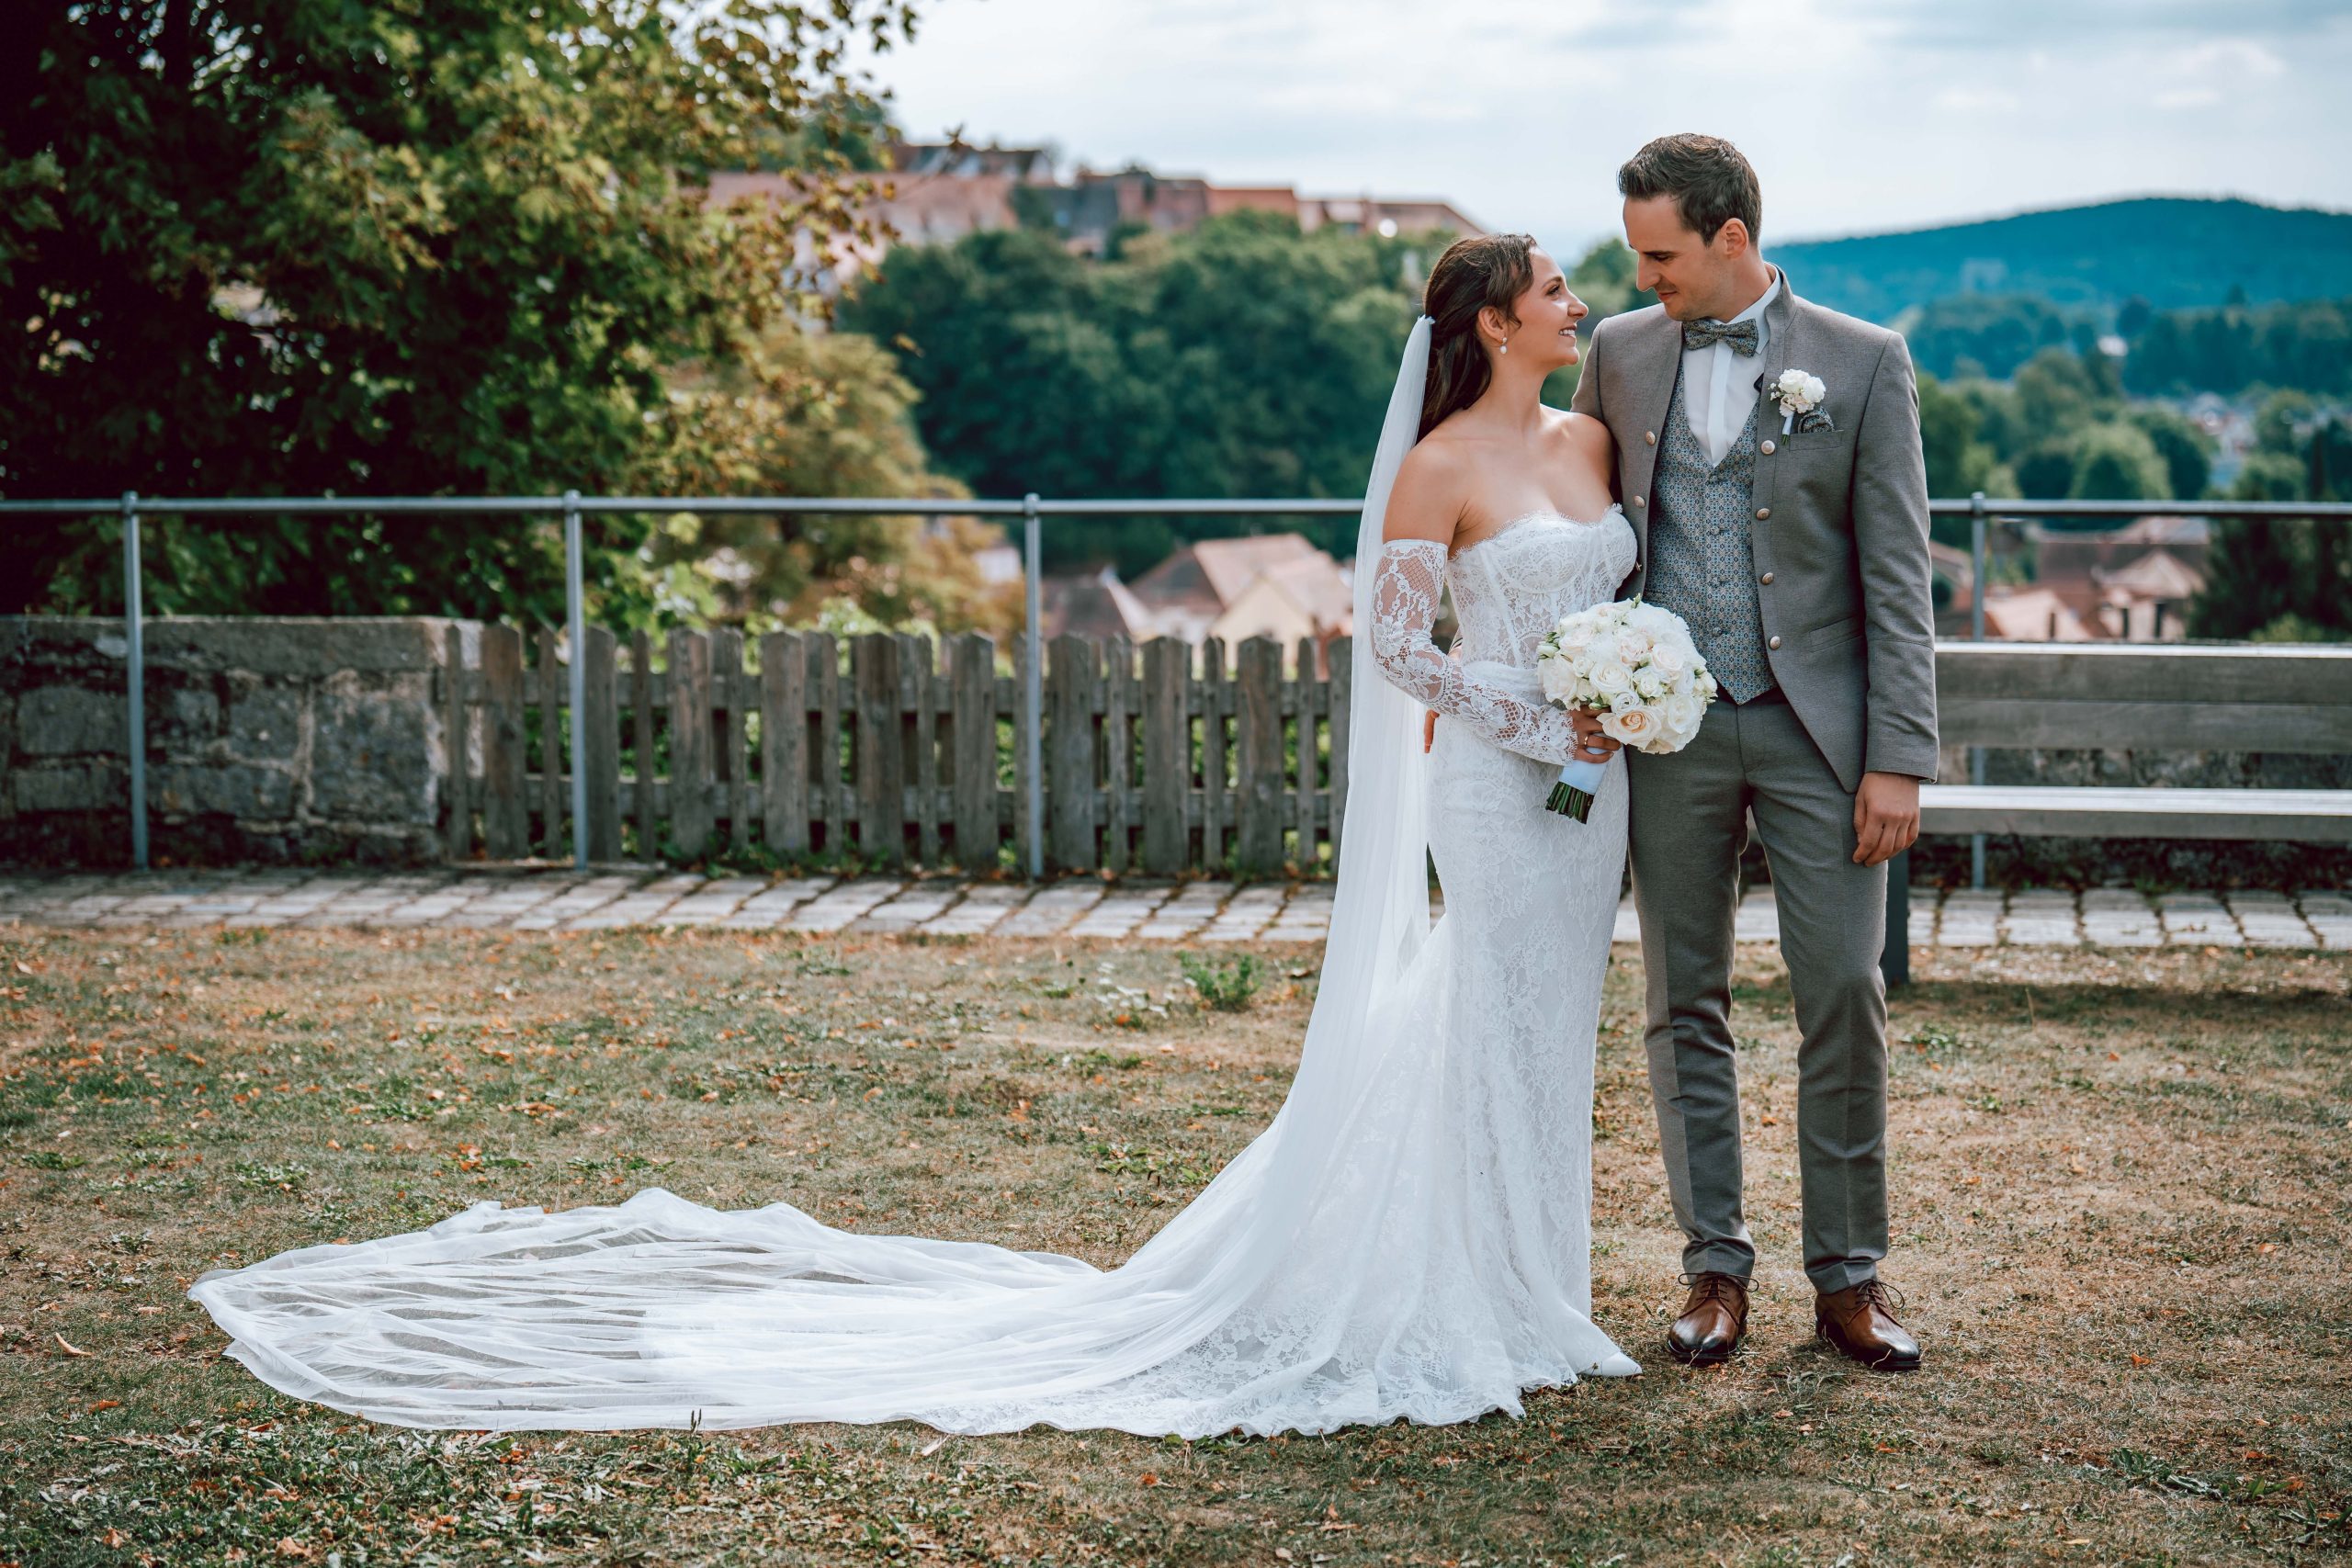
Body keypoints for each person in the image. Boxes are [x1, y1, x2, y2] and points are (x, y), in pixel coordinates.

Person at [186, 235, 1647, 1439]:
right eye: (1556, 289)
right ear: (1491, 318)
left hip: (1600, 792)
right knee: (1477, 1014)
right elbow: (1397, 650)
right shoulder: (1439, 465)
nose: (1578, 301)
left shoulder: (1587, 434)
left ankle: (1534, 1279)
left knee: (1543, 1023)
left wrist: (1622, 694)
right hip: (1507, 782)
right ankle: (1472, 1294)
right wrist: (1538, 720)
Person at [1570, 134, 1938, 1371]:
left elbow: (1897, 576)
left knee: (1842, 987)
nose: (1643, 277)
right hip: (1668, 729)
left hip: (1818, 729)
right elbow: (1581, 533)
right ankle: (1714, 1270)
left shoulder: (1864, 362)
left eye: (1660, 254)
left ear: (1731, 240)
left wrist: (1901, 756)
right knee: (1684, 999)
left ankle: (1849, 1279)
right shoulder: (1619, 354)